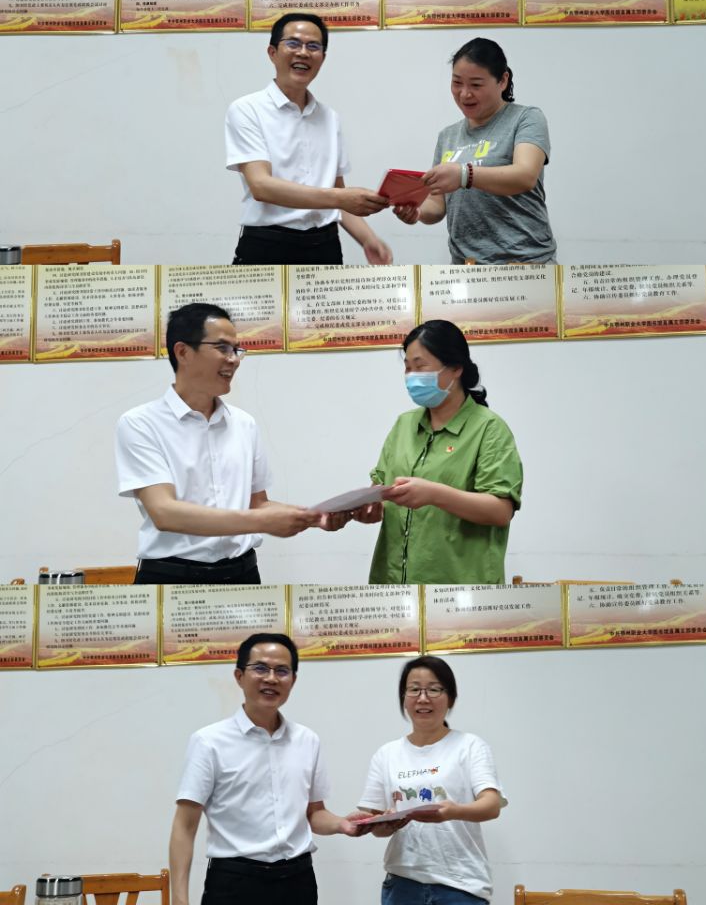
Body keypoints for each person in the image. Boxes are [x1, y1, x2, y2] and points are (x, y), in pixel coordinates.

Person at [115, 302, 339, 585]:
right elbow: (164, 512)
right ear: (183, 352)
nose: (233, 360)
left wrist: (313, 517)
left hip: (243, 575)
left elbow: (258, 505)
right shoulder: (140, 423)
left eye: (236, 349)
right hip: (171, 579)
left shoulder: (244, 424)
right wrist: (262, 522)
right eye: (222, 348)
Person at [169, 633, 358, 905]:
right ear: (239, 676)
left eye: (282, 671)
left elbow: (315, 813)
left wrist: (343, 824)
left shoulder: (307, 740)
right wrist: (179, 900)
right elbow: (185, 826)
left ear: (293, 680)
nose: (271, 678)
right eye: (260, 668)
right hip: (235, 883)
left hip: (298, 881)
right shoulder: (209, 741)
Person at [354, 320, 523, 584]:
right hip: (394, 585)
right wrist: (372, 506)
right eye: (407, 368)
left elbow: (500, 511)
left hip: (458, 589)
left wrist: (434, 494)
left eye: (420, 366)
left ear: (455, 368)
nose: (411, 376)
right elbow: (381, 487)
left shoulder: (489, 429)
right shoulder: (404, 425)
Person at [225, 12, 392, 265]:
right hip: (267, 245)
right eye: (293, 43)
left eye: (313, 47)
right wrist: (341, 198)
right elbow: (261, 186)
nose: (303, 53)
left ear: (323, 58)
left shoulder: (329, 117)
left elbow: (337, 190)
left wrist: (368, 239)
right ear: (272, 52)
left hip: (325, 245)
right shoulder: (247, 109)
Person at [355, 655, 506, 905]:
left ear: (451, 698)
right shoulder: (387, 754)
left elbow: (491, 806)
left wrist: (454, 811)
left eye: (434, 689)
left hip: (460, 885)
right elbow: (376, 825)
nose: (423, 698)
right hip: (402, 884)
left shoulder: (470, 746)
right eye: (414, 689)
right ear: (404, 698)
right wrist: (384, 825)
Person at [394, 37, 556, 265]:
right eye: (457, 83)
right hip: (466, 266)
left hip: (524, 263)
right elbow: (437, 203)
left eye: (476, 85)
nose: (464, 94)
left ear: (502, 80)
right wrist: (417, 211)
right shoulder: (448, 136)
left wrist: (464, 175)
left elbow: (525, 175)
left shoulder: (526, 118)